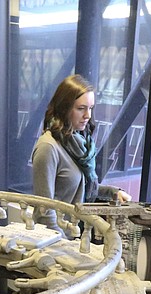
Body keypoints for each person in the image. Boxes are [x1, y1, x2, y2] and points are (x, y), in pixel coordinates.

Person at [31, 74, 131, 233]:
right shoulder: (48, 147)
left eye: (90, 108)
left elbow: (83, 188)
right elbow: (44, 212)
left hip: (79, 234)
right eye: (81, 108)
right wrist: (65, 247)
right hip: (57, 242)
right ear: (64, 108)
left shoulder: (79, 142)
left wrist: (113, 192)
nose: (88, 115)